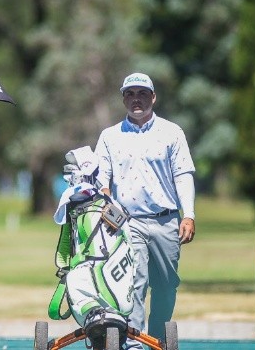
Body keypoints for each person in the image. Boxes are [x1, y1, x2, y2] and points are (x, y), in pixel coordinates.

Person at [94, 72, 195, 349]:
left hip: (166, 220)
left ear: (153, 97)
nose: (135, 99)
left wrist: (189, 214)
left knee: (165, 286)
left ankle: (157, 341)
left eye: (141, 93)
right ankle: (135, 344)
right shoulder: (110, 136)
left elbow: (183, 175)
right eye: (129, 94)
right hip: (128, 222)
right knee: (134, 283)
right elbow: (102, 181)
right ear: (123, 98)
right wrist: (107, 203)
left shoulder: (172, 132)